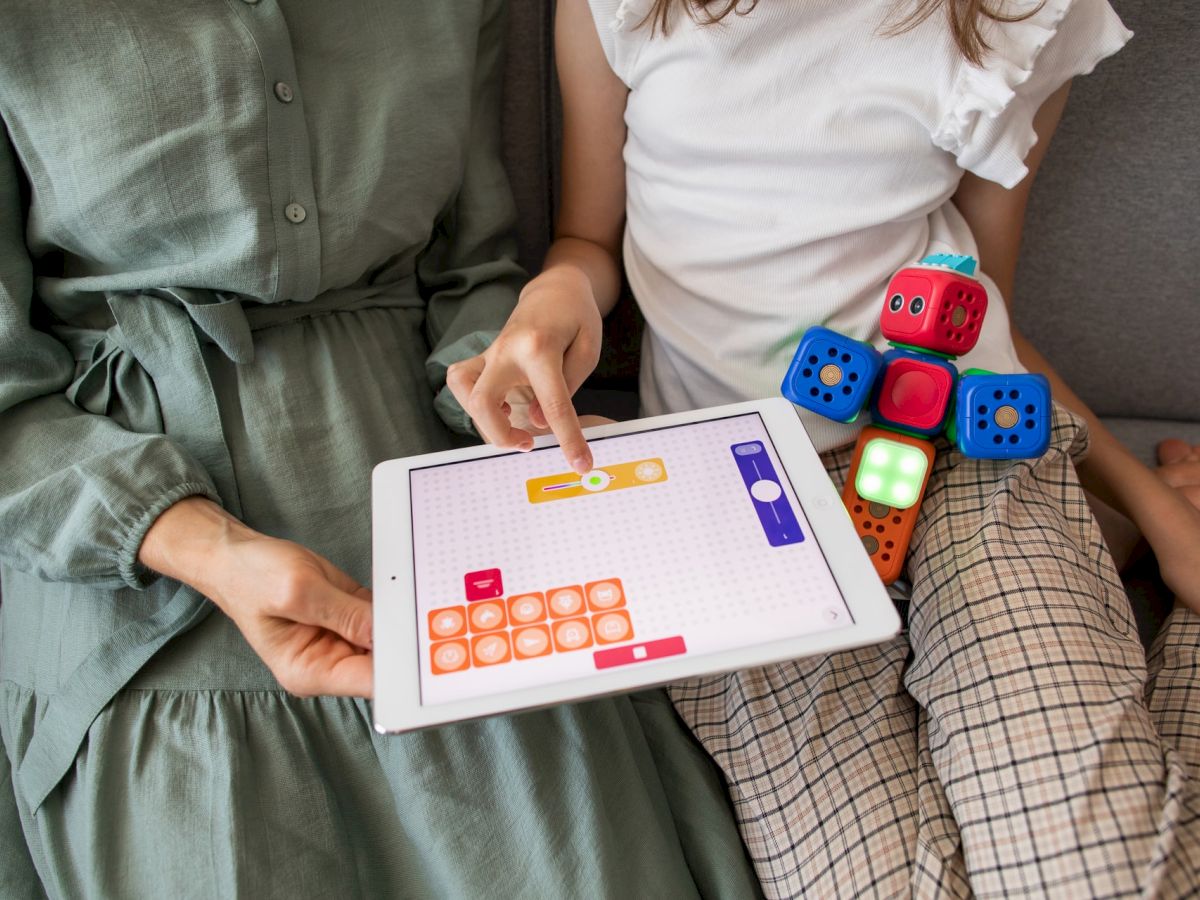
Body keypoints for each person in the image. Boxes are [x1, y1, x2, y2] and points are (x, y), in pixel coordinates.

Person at [0, 3, 765, 897]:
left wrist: (512, 402)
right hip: (134, 583)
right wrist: (202, 545)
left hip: (449, 531)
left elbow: (470, 273)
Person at [449, 0, 1200, 894]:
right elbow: (586, 239)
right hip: (739, 503)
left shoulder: (1021, 13)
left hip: (969, 456)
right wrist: (554, 296)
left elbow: (983, 306)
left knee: (1094, 873)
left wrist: (1152, 509)